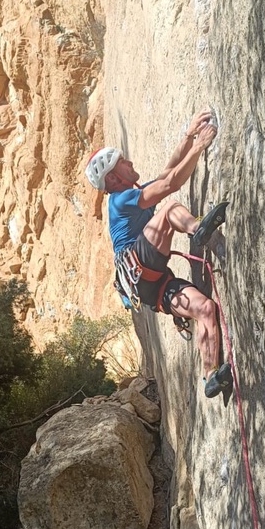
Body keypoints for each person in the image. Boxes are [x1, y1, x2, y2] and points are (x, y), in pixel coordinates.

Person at [85, 110, 233, 400]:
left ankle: (211, 375)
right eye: (123, 162)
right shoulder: (121, 199)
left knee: (205, 309)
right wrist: (200, 145)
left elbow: (167, 173)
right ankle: (198, 230)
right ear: (113, 177)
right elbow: (170, 185)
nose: (130, 162)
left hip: (151, 288)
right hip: (138, 262)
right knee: (169, 209)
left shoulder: (130, 194)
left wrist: (188, 137)